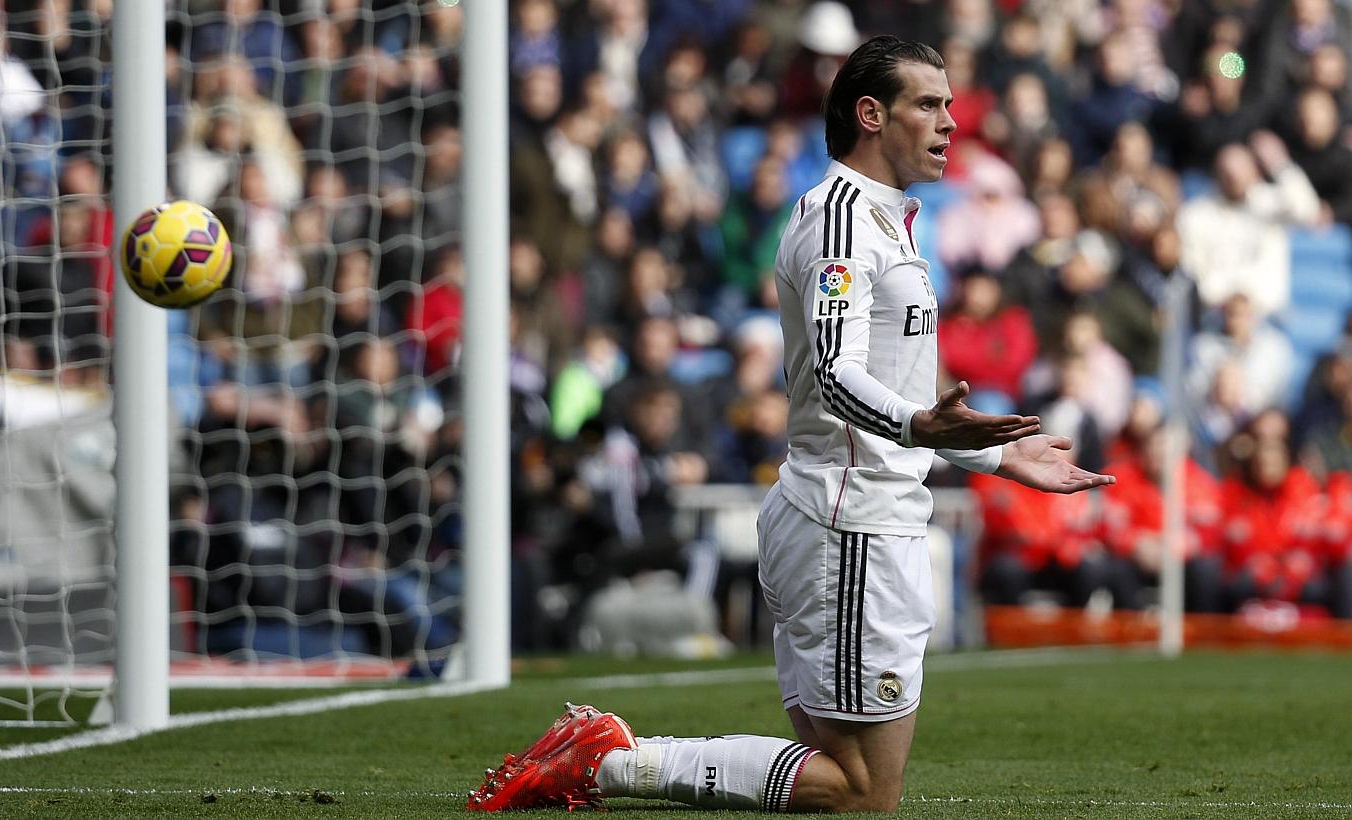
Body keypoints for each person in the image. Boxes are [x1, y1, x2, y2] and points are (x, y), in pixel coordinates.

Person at [467, 35, 1113, 814]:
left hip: (867, 520)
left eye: (949, 105)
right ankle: (611, 759)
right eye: (929, 105)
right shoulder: (840, 224)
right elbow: (838, 377)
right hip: (851, 528)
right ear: (870, 114)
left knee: (841, 784)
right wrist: (921, 430)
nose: (950, 123)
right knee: (860, 793)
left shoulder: (888, 223)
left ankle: (611, 757)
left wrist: (1001, 460)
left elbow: (902, 396)